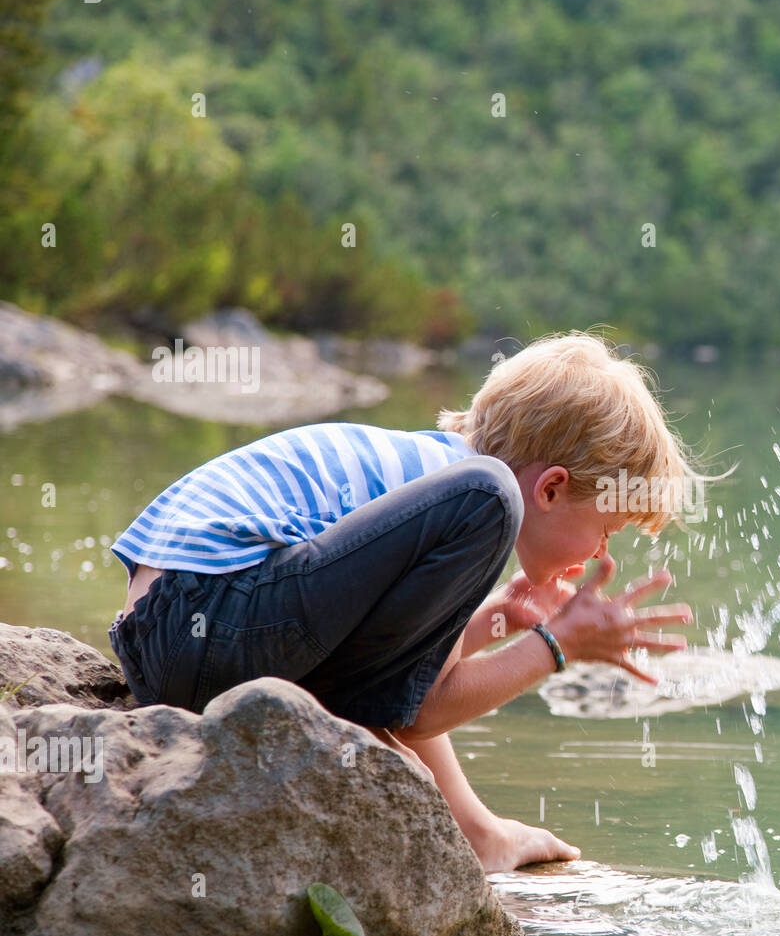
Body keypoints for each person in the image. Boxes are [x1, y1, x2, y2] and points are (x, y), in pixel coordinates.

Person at [107, 331, 716, 872]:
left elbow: (392, 669)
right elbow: (423, 709)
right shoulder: (477, 498)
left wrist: (492, 620)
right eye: (606, 529)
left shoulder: (423, 481)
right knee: (490, 495)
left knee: (408, 770)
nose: (600, 553)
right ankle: (480, 834)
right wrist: (556, 646)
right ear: (552, 488)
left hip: (179, 639)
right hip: (207, 618)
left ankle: (478, 834)